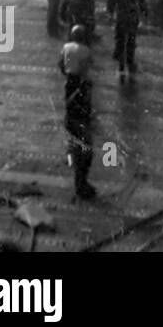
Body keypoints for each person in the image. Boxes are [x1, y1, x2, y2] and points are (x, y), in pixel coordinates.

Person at [59, 25, 96, 200]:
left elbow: (60, 65)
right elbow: (87, 69)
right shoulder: (86, 50)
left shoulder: (66, 47)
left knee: (71, 109)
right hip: (81, 84)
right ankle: (82, 183)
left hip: (69, 83)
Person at [106, 0, 148, 80]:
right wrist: (145, 13)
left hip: (120, 16)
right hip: (132, 16)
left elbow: (110, 2)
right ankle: (130, 62)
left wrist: (110, 13)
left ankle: (121, 65)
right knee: (131, 40)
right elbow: (142, 1)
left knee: (120, 40)